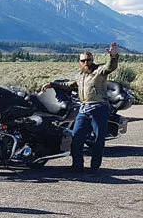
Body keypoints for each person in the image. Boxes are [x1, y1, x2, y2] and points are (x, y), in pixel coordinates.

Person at [41, 43, 120, 174]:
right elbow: (68, 85)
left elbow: (110, 67)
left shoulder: (99, 72)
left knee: (98, 140)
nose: (86, 62)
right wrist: (52, 84)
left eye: (88, 60)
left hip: (99, 108)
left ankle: (94, 167)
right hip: (84, 109)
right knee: (76, 137)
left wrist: (113, 56)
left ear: (92, 60)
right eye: (83, 60)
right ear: (80, 62)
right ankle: (77, 166)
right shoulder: (80, 75)